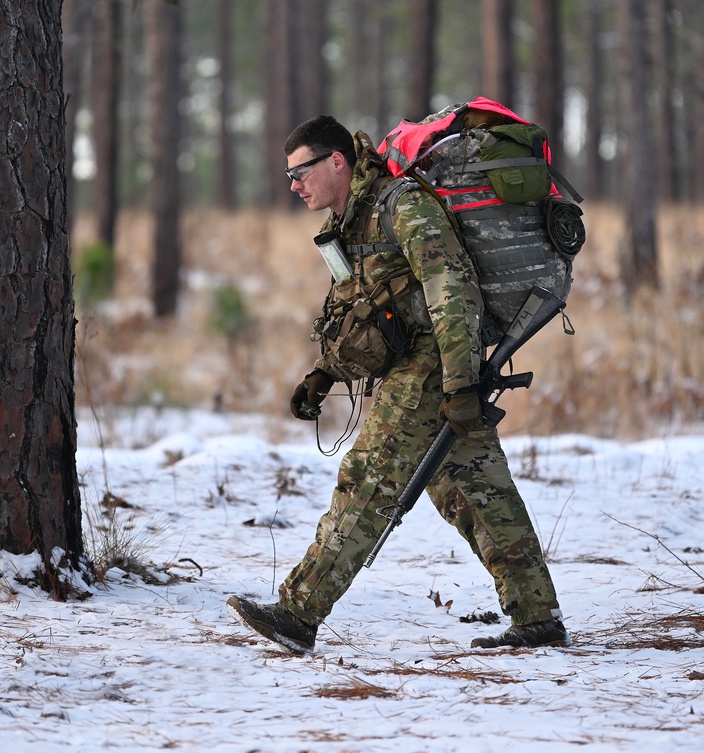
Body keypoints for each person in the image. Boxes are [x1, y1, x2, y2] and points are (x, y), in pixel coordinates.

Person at [226, 115, 569, 654]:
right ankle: (537, 616)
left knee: (367, 480)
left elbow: (450, 289)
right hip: (421, 364)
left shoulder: (401, 204)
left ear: (337, 161)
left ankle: (298, 612)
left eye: (301, 172)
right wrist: (327, 372)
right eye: (289, 176)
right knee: (474, 491)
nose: (294, 185)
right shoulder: (353, 219)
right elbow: (361, 306)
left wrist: (458, 384)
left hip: (434, 363)